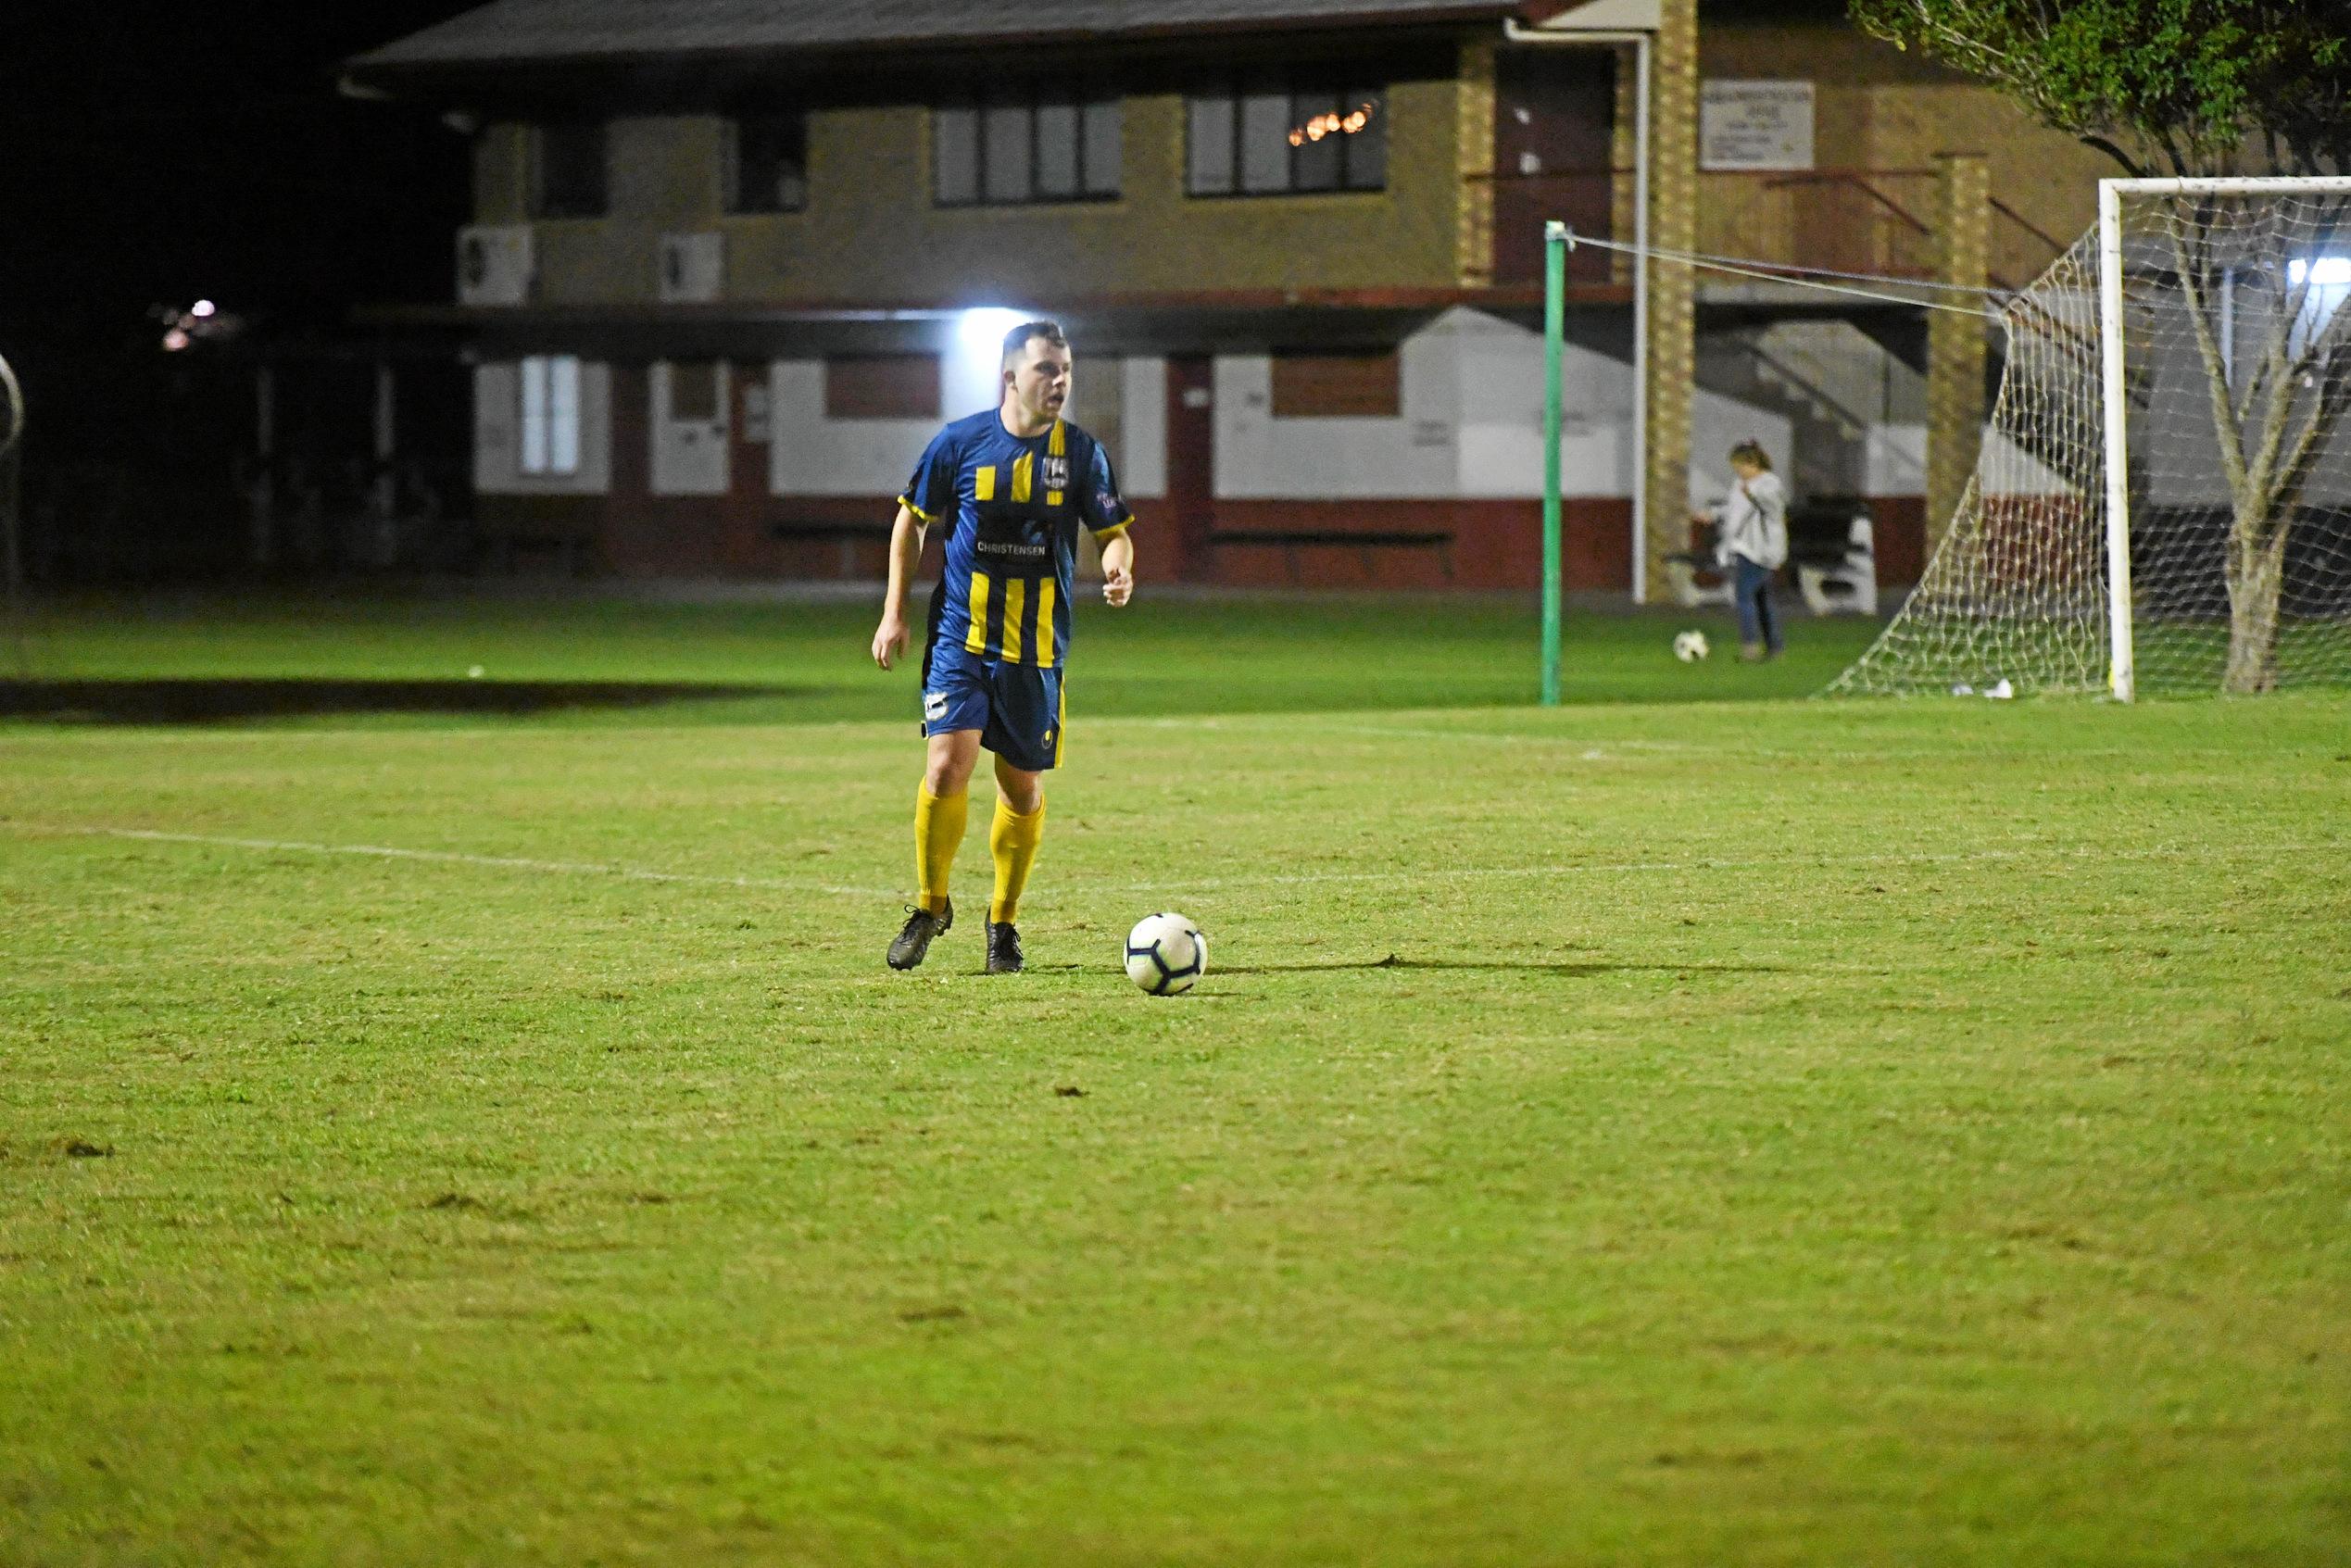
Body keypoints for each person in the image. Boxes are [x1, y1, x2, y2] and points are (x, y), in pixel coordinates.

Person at [870, 320, 1136, 973]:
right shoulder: (960, 444)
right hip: (961, 640)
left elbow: (1113, 530)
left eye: (1066, 369)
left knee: (1021, 792)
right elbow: (912, 521)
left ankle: (1003, 923)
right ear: (1011, 376)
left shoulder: (1080, 453)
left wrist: (1118, 565)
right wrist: (893, 612)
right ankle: (932, 903)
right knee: (944, 767)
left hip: (1036, 651)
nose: (1060, 380)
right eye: (1047, 368)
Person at [1703, 438, 1789, 660]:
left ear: (1752, 463)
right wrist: (1712, 515)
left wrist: (1753, 494)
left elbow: (1773, 508)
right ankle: (1775, 646)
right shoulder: (1739, 485)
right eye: (1735, 467)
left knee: (1743, 596)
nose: (1738, 471)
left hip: (1760, 551)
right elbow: (1734, 510)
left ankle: (1750, 647)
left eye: (1740, 466)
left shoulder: (1770, 483)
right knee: (1761, 599)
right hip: (1744, 548)